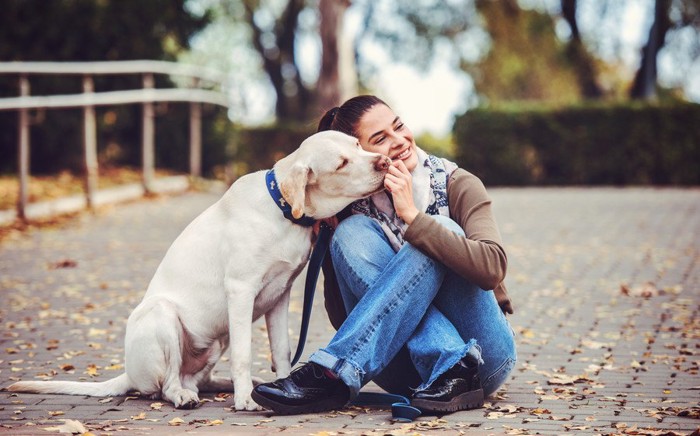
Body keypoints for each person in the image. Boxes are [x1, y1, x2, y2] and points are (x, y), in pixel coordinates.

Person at [252, 95, 516, 415]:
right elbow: (343, 316)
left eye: (398, 126)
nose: (399, 141)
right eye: (380, 139)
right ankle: (449, 360)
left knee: (439, 227)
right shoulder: (352, 209)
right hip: (403, 372)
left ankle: (330, 373)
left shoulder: (456, 182)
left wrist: (413, 218)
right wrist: (331, 233)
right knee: (351, 232)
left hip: (486, 359)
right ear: (361, 153)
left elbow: (492, 268)